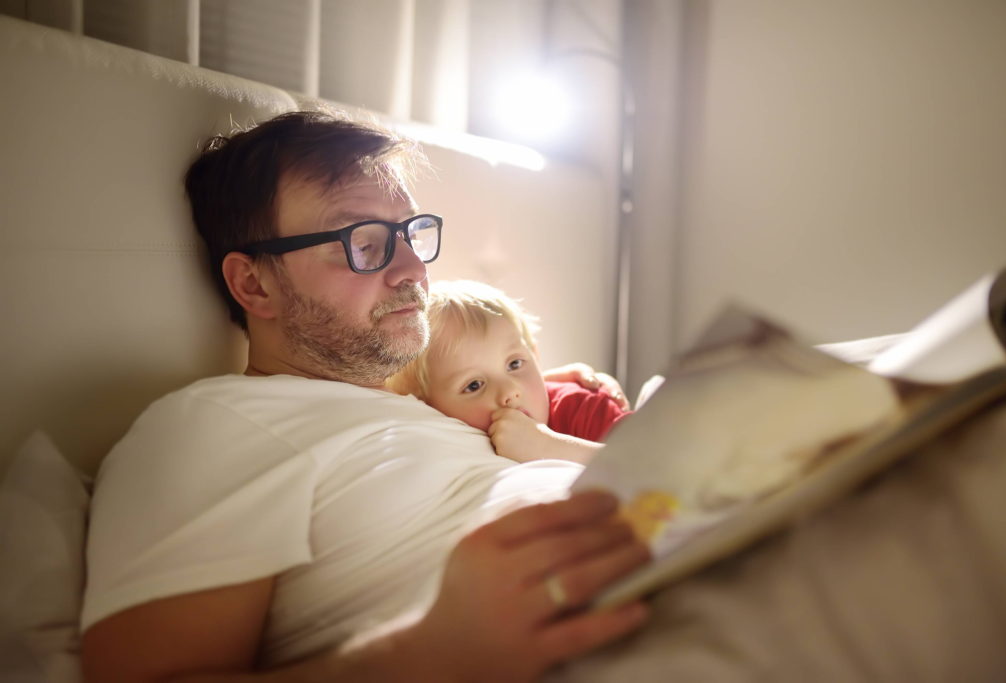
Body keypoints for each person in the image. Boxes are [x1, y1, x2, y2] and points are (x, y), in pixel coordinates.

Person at [79, 111, 651, 683]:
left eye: (409, 234)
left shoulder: (441, 408)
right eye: (362, 242)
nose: (411, 270)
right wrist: (434, 649)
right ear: (255, 284)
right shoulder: (210, 426)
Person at [387, 279, 631, 464]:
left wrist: (547, 447)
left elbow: (659, 467)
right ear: (428, 408)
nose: (510, 391)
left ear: (534, 355)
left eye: (515, 364)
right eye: (474, 385)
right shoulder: (442, 448)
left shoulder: (584, 407)